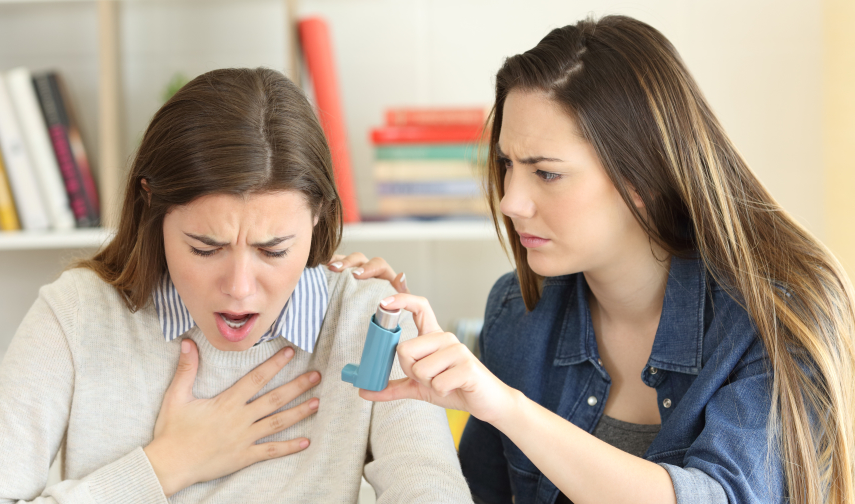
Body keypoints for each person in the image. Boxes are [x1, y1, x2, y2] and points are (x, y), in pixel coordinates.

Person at [334, 15, 855, 504]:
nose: (511, 201)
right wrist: (380, 325)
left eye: (547, 173)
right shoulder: (517, 313)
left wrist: (507, 407)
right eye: (508, 165)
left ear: (643, 178)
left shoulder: (775, 318)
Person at [0, 68, 472, 503]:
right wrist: (164, 466)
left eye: (273, 250)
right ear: (152, 207)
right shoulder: (75, 313)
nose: (239, 288)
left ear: (319, 216)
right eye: (205, 248)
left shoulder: (372, 323)